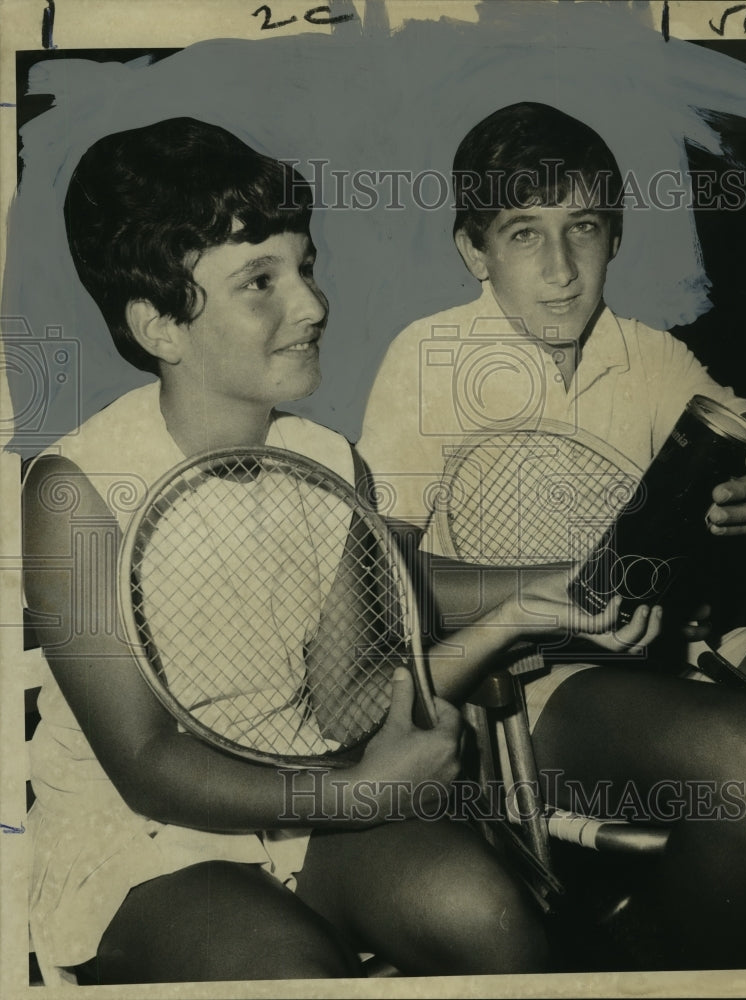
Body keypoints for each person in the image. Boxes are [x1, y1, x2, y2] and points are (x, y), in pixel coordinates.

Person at [22, 116, 645, 986]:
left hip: (312, 807)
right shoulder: (72, 489)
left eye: (304, 267)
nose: (311, 305)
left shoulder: (325, 464)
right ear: (159, 323)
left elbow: (349, 704)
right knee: (293, 968)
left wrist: (514, 619)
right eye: (259, 282)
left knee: (488, 915)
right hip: (138, 841)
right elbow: (149, 769)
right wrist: (360, 793)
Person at [356, 102, 746, 970]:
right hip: (524, 690)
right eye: (523, 233)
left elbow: (744, 424)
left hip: (672, 649)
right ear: (473, 251)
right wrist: (559, 589)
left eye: (582, 227)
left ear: (613, 236)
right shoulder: (427, 358)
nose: (560, 270)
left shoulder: (651, 356)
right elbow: (374, 582)